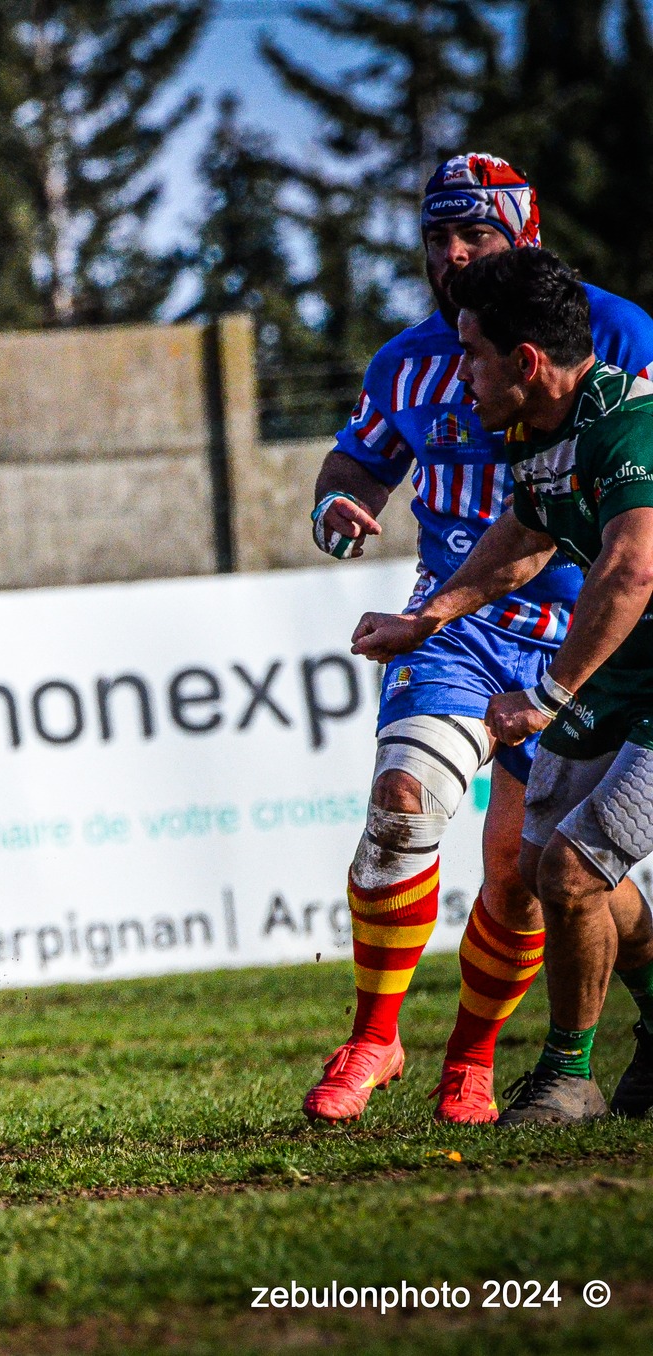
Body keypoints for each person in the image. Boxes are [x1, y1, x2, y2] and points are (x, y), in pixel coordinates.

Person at [303, 155, 653, 1125]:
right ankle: (374, 1039)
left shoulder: (620, 340)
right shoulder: (408, 358)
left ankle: (470, 1062)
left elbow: (601, 535)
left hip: (591, 638)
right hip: (455, 623)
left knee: (528, 866)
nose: (449, 256)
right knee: (401, 803)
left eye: (474, 236)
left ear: (522, 237)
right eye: (434, 238)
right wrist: (338, 504)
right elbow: (368, 461)